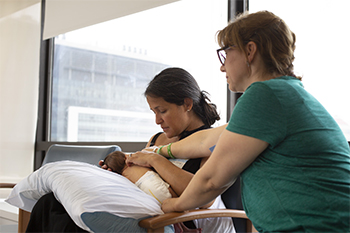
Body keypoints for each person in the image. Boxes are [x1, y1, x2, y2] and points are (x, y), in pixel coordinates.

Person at [127, 11, 350, 232]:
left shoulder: (264, 95)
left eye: (225, 54)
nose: (222, 67)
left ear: (250, 51)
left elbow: (213, 181)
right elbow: (206, 140)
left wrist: (174, 204)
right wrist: (159, 152)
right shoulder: (285, 95)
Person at [26, 67, 235, 233]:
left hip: (172, 221)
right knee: (50, 204)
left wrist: (156, 160)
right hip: (145, 210)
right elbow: (141, 178)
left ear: (187, 104)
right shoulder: (157, 139)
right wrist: (117, 174)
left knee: (76, 223)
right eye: (154, 112)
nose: (157, 120)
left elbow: (204, 194)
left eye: (162, 111)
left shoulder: (211, 143)